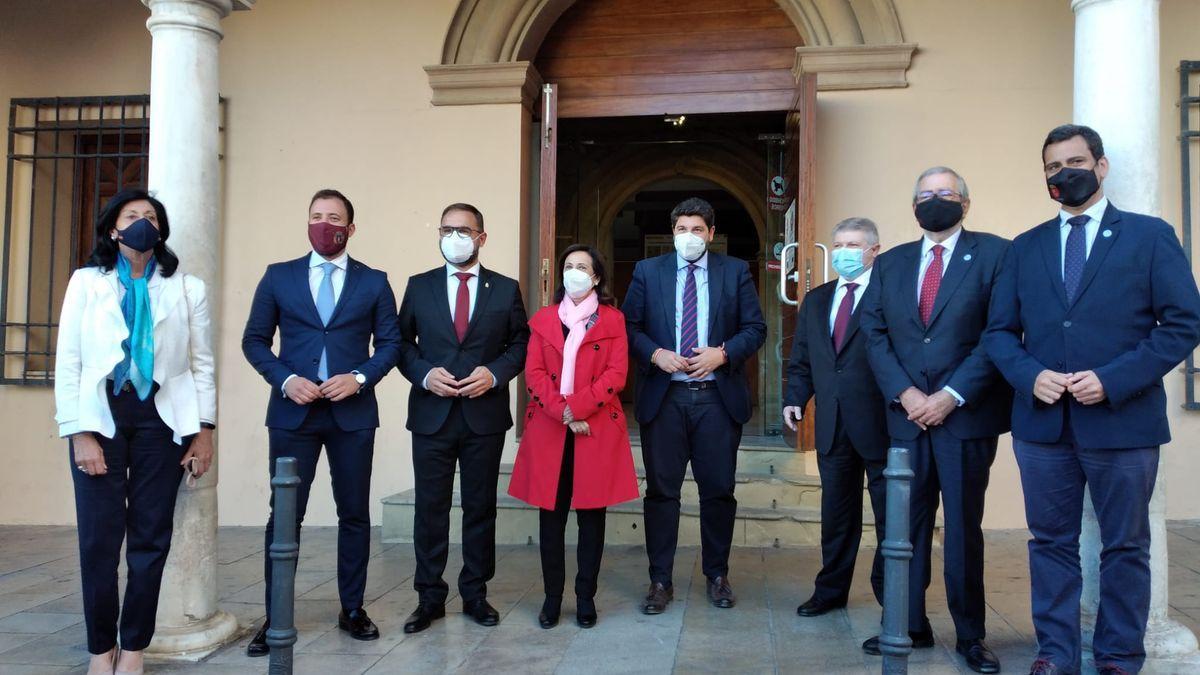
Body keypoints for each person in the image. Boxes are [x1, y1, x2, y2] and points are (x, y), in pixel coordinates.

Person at [984, 125, 1200, 675]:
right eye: (1053, 167)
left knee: (1125, 547)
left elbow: (1182, 323)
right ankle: (1055, 655)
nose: (1064, 174)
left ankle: (1120, 658)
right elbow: (999, 334)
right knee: (1050, 544)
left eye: (1075, 162)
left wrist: (1113, 378)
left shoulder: (1150, 236)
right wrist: (1029, 375)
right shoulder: (1025, 246)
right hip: (1043, 428)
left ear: (1101, 167)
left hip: (1123, 422)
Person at [55, 188, 216, 675]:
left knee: (150, 540)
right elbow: (70, 362)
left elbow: (200, 364)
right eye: (132, 216)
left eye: (150, 216)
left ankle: (134, 649)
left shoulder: (188, 288)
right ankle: (100, 650)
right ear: (113, 229)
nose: (142, 222)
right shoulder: (87, 283)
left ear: (160, 231)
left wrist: (203, 431)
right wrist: (78, 432)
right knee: (99, 542)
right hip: (100, 416)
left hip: (161, 420)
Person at [859, 167, 1011, 674]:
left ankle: (971, 635)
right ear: (913, 207)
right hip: (906, 419)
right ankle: (908, 625)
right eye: (925, 195)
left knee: (964, 528)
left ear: (965, 204)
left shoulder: (995, 254)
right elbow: (874, 333)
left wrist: (949, 395)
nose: (935, 201)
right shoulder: (892, 263)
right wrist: (906, 395)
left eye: (945, 194)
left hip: (964, 417)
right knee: (905, 527)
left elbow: (1000, 333)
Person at [241, 189, 401, 656]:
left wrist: (360, 378)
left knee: (354, 513)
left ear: (350, 228)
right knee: (285, 514)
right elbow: (255, 341)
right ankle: (276, 616)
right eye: (315, 216)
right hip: (294, 413)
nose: (323, 223)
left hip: (352, 415)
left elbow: (390, 344)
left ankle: (352, 608)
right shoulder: (278, 277)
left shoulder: (374, 281)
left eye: (333, 218)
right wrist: (285, 379)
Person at [623, 197, 766, 614]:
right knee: (662, 493)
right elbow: (628, 326)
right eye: (682, 229)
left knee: (718, 492)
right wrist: (654, 354)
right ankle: (660, 580)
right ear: (673, 233)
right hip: (665, 399)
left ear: (711, 233)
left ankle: (717, 575)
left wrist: (723, 353)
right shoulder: (648, 271)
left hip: (717, 402)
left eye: (697, 229)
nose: (690, 236)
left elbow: (755, 328)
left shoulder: (734, 270)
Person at [397, 203, 529, 633]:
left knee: (479, 508)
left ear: (481, 238)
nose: (454, 237)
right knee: (429, 509)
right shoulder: (419, 286)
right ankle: (429, 597)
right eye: (447, 229)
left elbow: (520, 343)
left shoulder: (506, 289)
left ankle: (475, 593)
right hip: (431, 415)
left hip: (483, 417)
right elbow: (400, 343)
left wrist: (493, 374)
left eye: (464, 230)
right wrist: (422, 373)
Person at [507, 244, 639, 629]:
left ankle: (585, 598)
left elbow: (616, 376)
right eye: (568, 266)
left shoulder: (613, 320)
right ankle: (551, 599)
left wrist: (577, 409)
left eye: (583, 267)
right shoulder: (544, 319)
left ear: (596, 276)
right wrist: (562, 412)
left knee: (591, 519)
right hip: (550, 429)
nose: (574, 273)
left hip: (594, 428)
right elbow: (533, 374)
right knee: (551, 520)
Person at [782, 217, 888, 619]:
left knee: (890, 521)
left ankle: (892, 599)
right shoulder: (818, 299)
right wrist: (796, 398)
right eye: (839, 244)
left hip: (882, 425)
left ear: (874, 250)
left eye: (853, 244)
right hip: (833, 425)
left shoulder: (889, 296)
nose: (844, 252)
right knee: (837, 517)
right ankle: (830, 591)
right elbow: (803, 359)